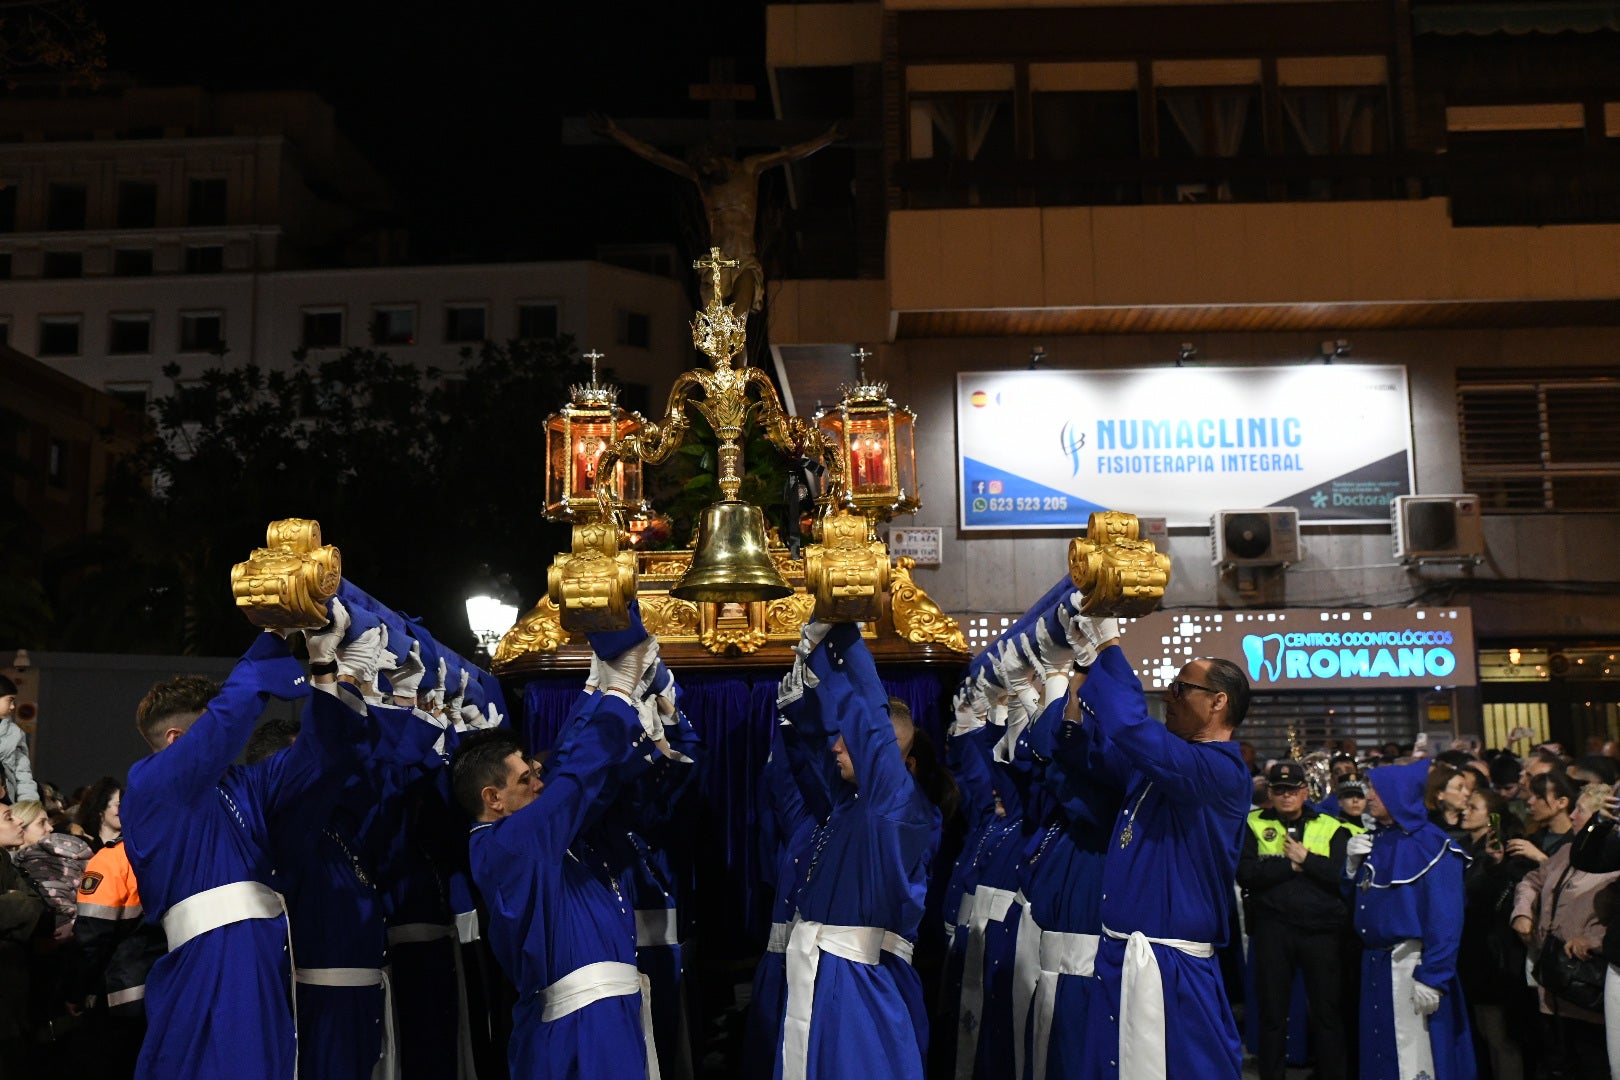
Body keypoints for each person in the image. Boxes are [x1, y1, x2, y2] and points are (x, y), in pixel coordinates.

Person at [122, 622, 368, 1080]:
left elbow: (319, 757)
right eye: (208, 725)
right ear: (176, 742)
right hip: (213, 959)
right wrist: (275, 635)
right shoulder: (150, 782)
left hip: (262, 952)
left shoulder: (240, 784)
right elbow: (229, 719)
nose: (226, 739)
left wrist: (326, 674)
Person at [458, 613, 666, 1079]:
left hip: (600, 1015)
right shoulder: (508, 845)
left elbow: (570, 760)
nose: (539, 784)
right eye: (526, 780)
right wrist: (618, 696)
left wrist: (595, 690)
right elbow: (576, 776)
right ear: (494, 799)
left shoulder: (528, 837)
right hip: (579, 1027)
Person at [1069, 619, 1253, 1079]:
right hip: (1122, 953)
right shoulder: (1165, 766)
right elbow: (1094, 752)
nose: (1168, 697)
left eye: (1180, 687)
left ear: (1217, 702)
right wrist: (1071, 676)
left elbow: (1131, 727)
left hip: (1171, 965)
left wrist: (1111, 646)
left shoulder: (1220, 771)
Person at [773, 620, 946, 1080]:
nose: (836, 746)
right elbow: (817, 754)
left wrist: (842, 639)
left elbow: (867, 718)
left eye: (847, 741)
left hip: (852, 986)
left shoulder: (895, 801)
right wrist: (810, 671)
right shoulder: (854, 804)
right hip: (823, 975)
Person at [1346, 761, 1474, 1079]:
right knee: (1381, 1051)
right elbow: (1362, 900)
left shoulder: (1435, 848)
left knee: (1415, 1054)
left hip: (1411, 966)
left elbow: (1446, 920)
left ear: (1397, 794)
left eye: (1375, 788)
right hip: (1374, 964)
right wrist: (1349, 870)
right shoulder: (1376, 839)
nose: (1368, 795)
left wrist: (1433, 976)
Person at [1237, 760, 1353, 1080]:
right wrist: (1290, 867)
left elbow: (1341, 876)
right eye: (1278, 790)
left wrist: (1307, 860)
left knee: (1327, 1013)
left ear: (1305, 792)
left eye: (1292, 790)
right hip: (1274, 930)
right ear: (1270, 793)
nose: (1286, 796)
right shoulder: (1253, 823)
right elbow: (1246, 874)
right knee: (1273, 1014)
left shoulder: (1331, 826)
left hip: (1322, 931)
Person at [1511, 782, 1618, 1078]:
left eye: (1580, 811)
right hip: (1552, 984)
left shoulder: (1613, 859)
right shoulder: (1568, 850)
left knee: (1594, 1063)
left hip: (1588, 984)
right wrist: (1522, 912)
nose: (1571, 816)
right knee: (1557, 1063)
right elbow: (1532, 880)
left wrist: (1595, 940)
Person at [1458, 785, 1527, 1080]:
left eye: (1474, 807)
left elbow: (1492, 898)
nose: (1465, 810)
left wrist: (1495, 865)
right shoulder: (1461, 847)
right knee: (1482, 1033)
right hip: (1468, 952)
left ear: (1492, 819)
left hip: (1493, 956)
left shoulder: (1502, 854)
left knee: (1500, 1035)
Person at [0, 801, 46, 1061]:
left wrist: (17, 902)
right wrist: (17, 901)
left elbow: (35, 905)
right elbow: (24, 905)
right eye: (8, 818)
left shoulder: (6, 862)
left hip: (14, 994)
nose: (18, 821)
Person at [9, 799, 92, 935]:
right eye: (41, 823)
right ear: (21, 827)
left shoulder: (51, 861)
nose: (50, 828)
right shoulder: (21, 864)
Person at [1507, 770, 1577, 868]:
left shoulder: (1577, 842)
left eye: (1539, 797)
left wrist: (1540, 858)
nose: (1530, 802)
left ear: (1562, 802)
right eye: (1531, 796)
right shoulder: (1534, 837)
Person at [0, 676, 38, 804]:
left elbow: (23, 774)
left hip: (5, 803)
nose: (12, 707)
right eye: (10, 700)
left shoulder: (14, 733)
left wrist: (27, 806)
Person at [72, 777, 123, 853]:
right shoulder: (81, 840)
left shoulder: (133, 842)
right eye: (118, 806)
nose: (124, 810)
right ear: (101, 807)